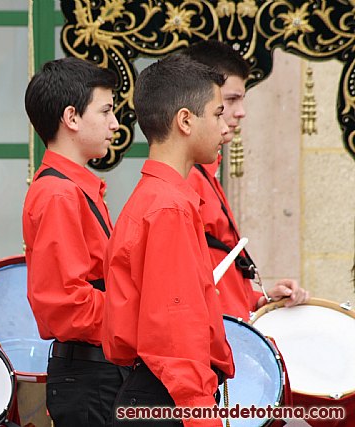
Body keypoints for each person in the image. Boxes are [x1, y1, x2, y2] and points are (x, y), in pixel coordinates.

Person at [102, 54, 234, 426]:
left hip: (156, 392)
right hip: (168, 399)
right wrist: (202, 414)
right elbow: (175, 336)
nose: (225, 127)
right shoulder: (169, 207)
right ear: (185, 120)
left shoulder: (157, 198)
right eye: (218, 113)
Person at [22, 57, 125, 427]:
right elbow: (66, 304)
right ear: (71, 117)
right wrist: (136, 315)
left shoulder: (73, 188)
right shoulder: (59, 194)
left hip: (97, 369)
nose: (115, 124)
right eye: (106, 111)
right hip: (90, 373)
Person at [181, 40, 309, 319]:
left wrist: (261, 299)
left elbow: (216, 277)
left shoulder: (204, 175)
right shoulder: (187, 180)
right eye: (230, 101)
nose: (241, 112)